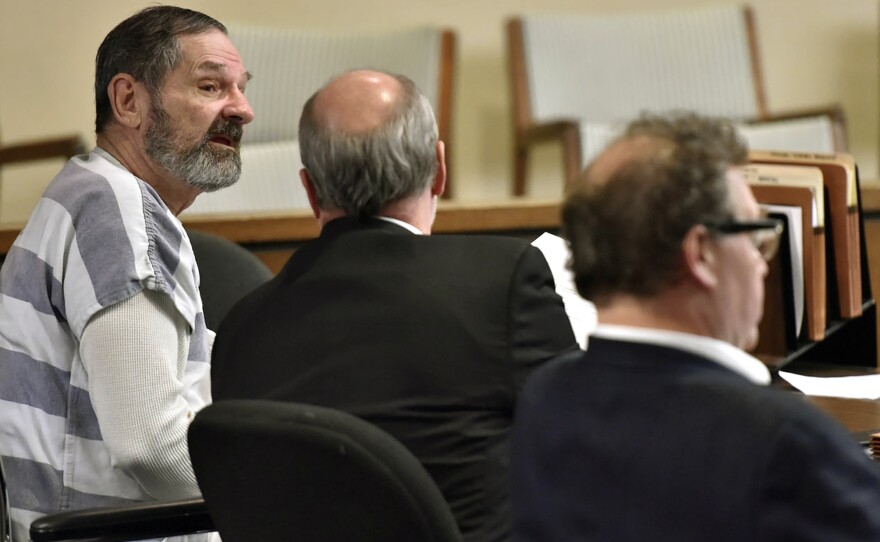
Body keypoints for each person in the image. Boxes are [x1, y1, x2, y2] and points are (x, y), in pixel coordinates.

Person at [210, 69, 578, 542]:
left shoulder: (241, 327)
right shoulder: (501, 281)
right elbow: (587, 447)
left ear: (311, 191)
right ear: (439, 168)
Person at [510, 112, 880, 541]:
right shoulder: (782, 439)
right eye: (757, 236)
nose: (762, 263)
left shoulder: (544, 398)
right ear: (701, 253)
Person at [0, 6, 253, 540]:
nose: (243, 109)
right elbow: (151, 445)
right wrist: (270, 498)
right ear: (128, 101)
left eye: (241, 88)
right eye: (211, 87)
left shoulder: (91, 194)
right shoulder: (116, 212)